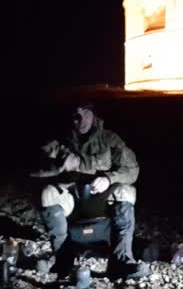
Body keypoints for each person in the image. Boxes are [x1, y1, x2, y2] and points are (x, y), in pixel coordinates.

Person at [30, 102, 150, 280]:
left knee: (126, 191)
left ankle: (121, 261)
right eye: (75, 115)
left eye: (85, 113)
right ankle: (62, 260)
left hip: (101, 198)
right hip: (72, 198)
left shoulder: (109, 139)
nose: (81, 119)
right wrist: (60, 165)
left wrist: (109, 178)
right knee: (47, 193)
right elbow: (33, 168)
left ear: (93, 114)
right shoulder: (59, 140)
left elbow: (133, 169)